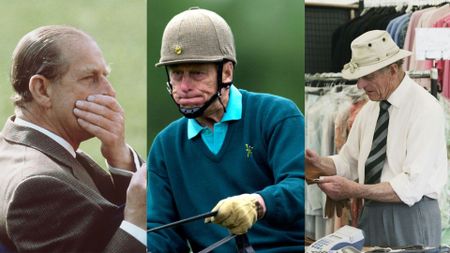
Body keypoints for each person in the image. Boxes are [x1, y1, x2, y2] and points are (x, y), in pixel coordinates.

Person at [147, 7, 304, 253]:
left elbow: (301, 185)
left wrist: (258, 203)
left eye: (196, 73)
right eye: (177, 74)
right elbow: (161, 231)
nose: (184, 86)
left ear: (227, 72)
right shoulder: (165, 145)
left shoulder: (277, 115)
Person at [0, 25, 147, 253]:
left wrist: (119, 155)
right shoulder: (38, 185)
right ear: (42, 90)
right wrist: (139, 223)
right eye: (90, 78)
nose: (110, 92)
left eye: (105, 76)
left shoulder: (30, 151)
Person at [306, 30, 448, 247]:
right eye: (358, 78)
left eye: (368, 77)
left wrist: (355, 190)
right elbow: (349, 162)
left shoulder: (426, 109)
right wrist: (319, 164)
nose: (360, 85)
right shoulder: (370, 110)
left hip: (411, 216)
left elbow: (411, 186)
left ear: (392, 70)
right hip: (371, 213)